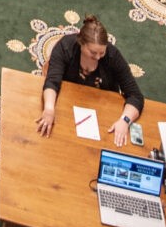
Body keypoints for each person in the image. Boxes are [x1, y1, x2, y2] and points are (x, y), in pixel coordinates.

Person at [34, 15, 144, 146]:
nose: (98, 57)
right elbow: (52, 82)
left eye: (101, 53)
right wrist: (49, 109)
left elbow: (135, 95)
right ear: (81, 43)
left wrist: (125, 120)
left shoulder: (113, 56)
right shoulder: (65, 47)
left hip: (102, 113)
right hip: (66, 106)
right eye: (93, 53)